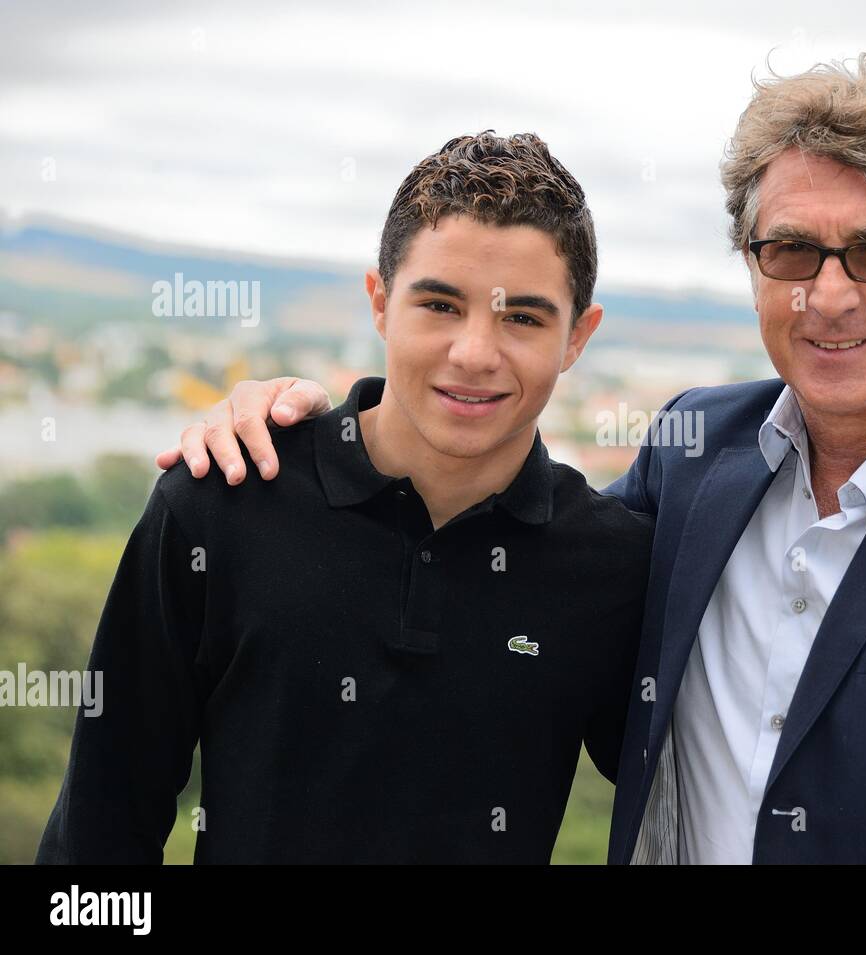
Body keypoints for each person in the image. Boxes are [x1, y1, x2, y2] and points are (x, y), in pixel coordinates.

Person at [160, 51, 866, 864]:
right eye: (788, 249)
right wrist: (296, 427)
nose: (826, 295)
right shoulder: (698, 458)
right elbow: (498, 566)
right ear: (749, 262)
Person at [38, 131, 651, 863]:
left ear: (578, 336)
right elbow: (99, 831)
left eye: (523, 317)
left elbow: (707, 796)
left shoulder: (616, 566)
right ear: (380, 304)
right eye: (440, 305)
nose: (475, 353)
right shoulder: (222, 501)